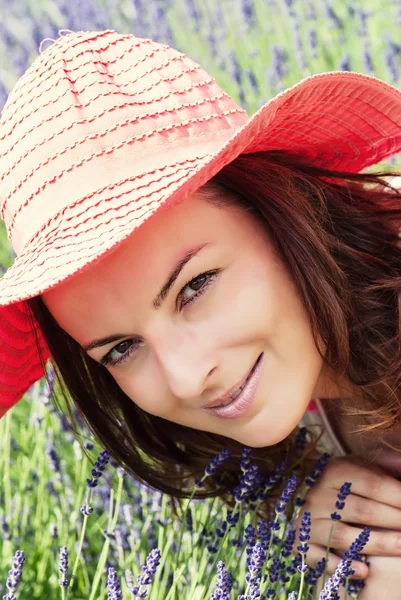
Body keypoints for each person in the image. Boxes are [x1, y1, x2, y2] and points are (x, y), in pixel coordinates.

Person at [1, 29, 401, 592]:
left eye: (194, 287)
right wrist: (306, 495)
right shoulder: (292, 397)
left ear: (281, 210)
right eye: (121, 349)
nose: (188, 379)